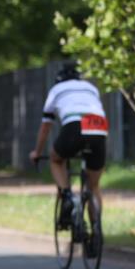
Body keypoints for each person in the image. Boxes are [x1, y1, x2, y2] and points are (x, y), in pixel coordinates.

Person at [29, 63, 108, 236]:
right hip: (99, 127)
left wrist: (37, 152)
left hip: (74, 126)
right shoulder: (90, 87)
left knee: (56, 159)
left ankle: (66, 195)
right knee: (93, 186)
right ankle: (96, 231)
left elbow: (45, 126)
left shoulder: (56, 89)